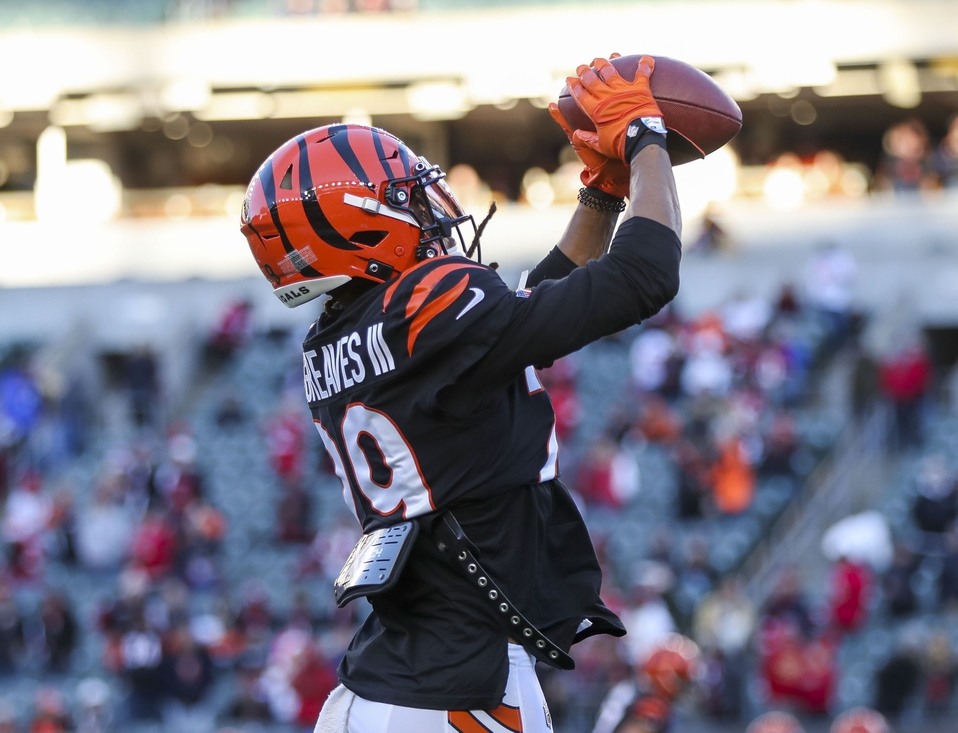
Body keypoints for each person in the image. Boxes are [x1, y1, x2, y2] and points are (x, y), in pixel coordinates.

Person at [240, 55, 681, 731]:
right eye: (406, 199)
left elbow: (529, 315)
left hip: (376, 688)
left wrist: (602, 194)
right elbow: (645, 274)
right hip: (460, 692)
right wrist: (649, 136)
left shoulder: (335, 342)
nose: (431, 211)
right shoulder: (427, 307)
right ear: (355, 226)